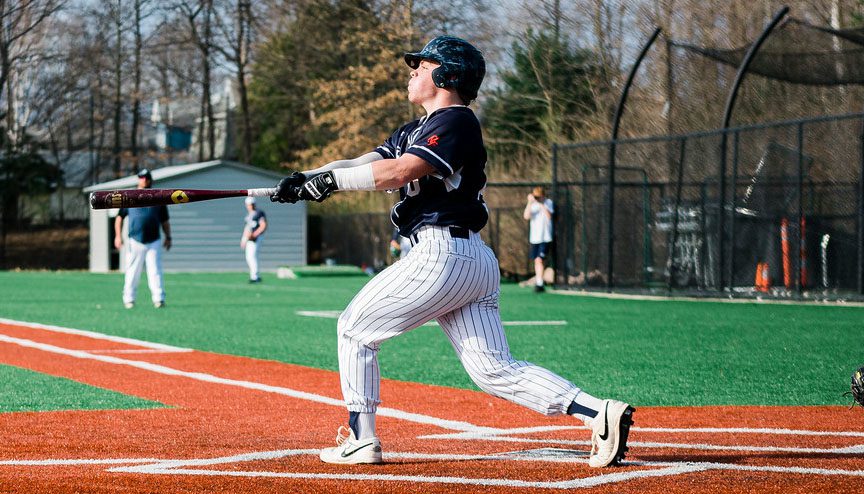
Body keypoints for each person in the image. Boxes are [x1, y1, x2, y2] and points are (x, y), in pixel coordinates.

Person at [270, 35, 634, 469]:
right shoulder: (413, 130)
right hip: (468, 260)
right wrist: (308, 178)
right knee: (493, 369)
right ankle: (599, 413)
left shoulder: (457, 121)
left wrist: (330, 184)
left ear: (447, 74)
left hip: (441, 256)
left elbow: (399, 172)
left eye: (421, 67)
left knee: (354, 329)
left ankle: (361, 438)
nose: (412, 72)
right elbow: (363, 163)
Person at [114, 169, 171, 308]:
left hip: (154, 240)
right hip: (135, 240)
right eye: (141, 177)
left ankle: (159, 298)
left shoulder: (159, 197)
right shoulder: (130, 196)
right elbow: (119, 218)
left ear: (150, 180)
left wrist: (168, 237)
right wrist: (118, 236)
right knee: (132, 271)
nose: (144, 180)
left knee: (155, 270)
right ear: (138, 179)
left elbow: (165, 221)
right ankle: (129, 299)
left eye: (146, 177)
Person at [523, 186, 553, 292]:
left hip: (545, 237)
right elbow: (526, 216)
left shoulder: (548, 203)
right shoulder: (533, 204)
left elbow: (549, 216)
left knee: (539, 260)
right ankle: (539, 282)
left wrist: (541, 204)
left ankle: (540, 283)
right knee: (537, 261)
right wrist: (530, 202)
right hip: (534, 238)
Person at [241, 196, 268, 283]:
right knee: (249, 257)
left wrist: (254, 234)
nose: (250, 206)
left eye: (252, 204)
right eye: (249, 204)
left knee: (252, 256)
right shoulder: (248, 215)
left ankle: (255, 276)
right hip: (250, 238)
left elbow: (263, 225)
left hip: (256, 237)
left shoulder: (259, 213)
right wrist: (244, 239)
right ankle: (254, 276)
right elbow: (247, 228)